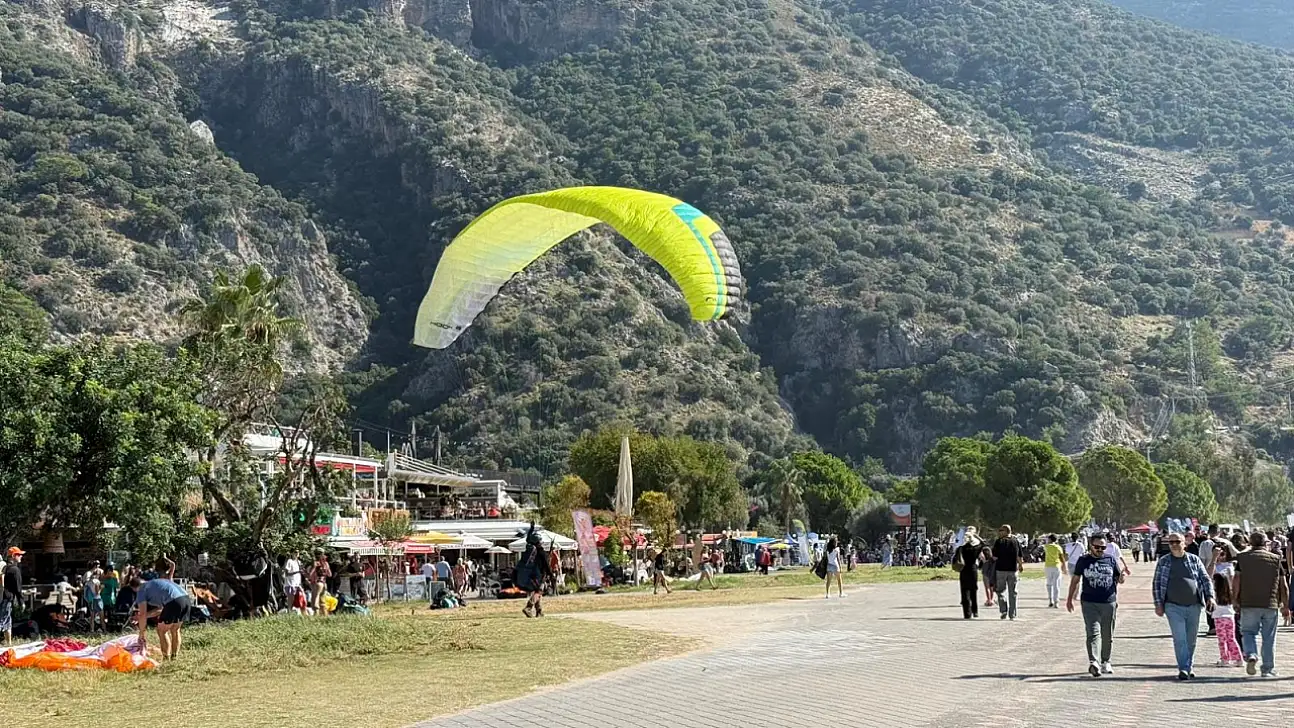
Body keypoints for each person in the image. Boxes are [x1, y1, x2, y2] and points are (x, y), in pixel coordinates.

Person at [1152, 533, 1215, 680]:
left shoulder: (1194, 560)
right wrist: (1158, 604)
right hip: (1173, 606)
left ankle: (1188, 664)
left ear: (1184, 543)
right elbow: (1156, 583)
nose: (1174, 544)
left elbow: (1205, 579)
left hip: (1194, 605)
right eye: (1171, 542)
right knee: (1180, 638)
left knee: (1191, 639)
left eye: (1177, 541)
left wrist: (1210, 597)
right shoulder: (1164, 561)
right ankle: (1183, 668)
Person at [1067, 532, 1124, 676]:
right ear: (1091, 546)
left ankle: (1106, 661)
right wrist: (1069, 599)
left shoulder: (1110, 559)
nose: (1100, 550)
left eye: (1103, 547)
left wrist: (1122, 577)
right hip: (1089, 602)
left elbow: (1119, 578)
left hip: (1108, 602)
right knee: (1092, 633)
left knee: (1107, 634)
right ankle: (1094, 662)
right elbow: (1075, 580)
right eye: (1097, 547)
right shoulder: (1083, 560)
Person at [1234, 531, 1289, 677]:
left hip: (1248, 601)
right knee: (1269, 637)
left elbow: (1237, 581)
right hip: (1270, 604)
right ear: (1266, 543)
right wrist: (1286, 605)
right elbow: (1283, 585)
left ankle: (1251, 654)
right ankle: (1267, 668)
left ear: (1250, 543)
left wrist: (1235, 599)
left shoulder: (1242, 558)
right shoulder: (1275, 559)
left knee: (1248, 632)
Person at [134, 556, 189, 660]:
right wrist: (166, 558)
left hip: (174, 602)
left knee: (161, 631)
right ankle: (174, 657)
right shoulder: (159, 585)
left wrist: (141, 634)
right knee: (175, 629)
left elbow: (142, 614)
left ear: (135, 588)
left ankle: (166, 658)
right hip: (186, 599)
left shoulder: (141, 590)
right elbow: (160, 610)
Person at [515, 524, 552, 617]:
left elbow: (528, 538)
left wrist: (531, 529)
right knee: (538, 592)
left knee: (537, 591)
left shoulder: (530, 548)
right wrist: (551, 575)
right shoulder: (541, 552)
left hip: (531, 574)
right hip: (539, 575)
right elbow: (546, 565)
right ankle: (528, 607)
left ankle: (539, 611)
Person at [992, 524, 1023, 620]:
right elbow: (1019, 556)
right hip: (1013, 570)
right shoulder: (1016, 541)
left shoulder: (999, 542)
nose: (999, 532)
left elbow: (994, 557)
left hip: (1001, 570)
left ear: (1006, 531)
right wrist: (1021, 565)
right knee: (1012, 592)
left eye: (1001, 530)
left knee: (1000, 591)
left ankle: (1003, 609)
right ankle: (1012, 614)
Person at [1211, 573, 1242, 668]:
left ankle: (1225, 659)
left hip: (1219, 618)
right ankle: (1238, 658)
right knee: (1231, 638)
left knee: (1222, 640)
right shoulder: (1229, 593)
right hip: (1230, 617)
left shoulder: (1214, 593)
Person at [954, 527, 984, 619]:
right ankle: (975, 611)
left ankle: (967, 613)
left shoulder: (961, 549)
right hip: (973, 569)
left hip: (963, 570)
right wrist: (975, 535)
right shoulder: (976, 548)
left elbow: (955, 558)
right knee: (973, 591)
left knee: (964, 591)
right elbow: (983, 544)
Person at [1, 547, 24, 645]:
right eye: (19, 555)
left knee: (7, 621)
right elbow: (18, 589)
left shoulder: (5, 568)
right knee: (3, 621)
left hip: (2, 596)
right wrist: (21, 602)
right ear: (13, 556)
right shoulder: (15, 570)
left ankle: (9, 644)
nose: (21, 557)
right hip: (7, 598)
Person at [1043, 535, 1066, 609]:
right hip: (1056, 566)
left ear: (1050, 539)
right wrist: (1064, 566)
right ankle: (1056, 602)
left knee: (1049, 584)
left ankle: (1050, 600)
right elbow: (1061, 557)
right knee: (1056, 584)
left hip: (1048, 566)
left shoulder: (1046, 546)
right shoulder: (1058, 547)